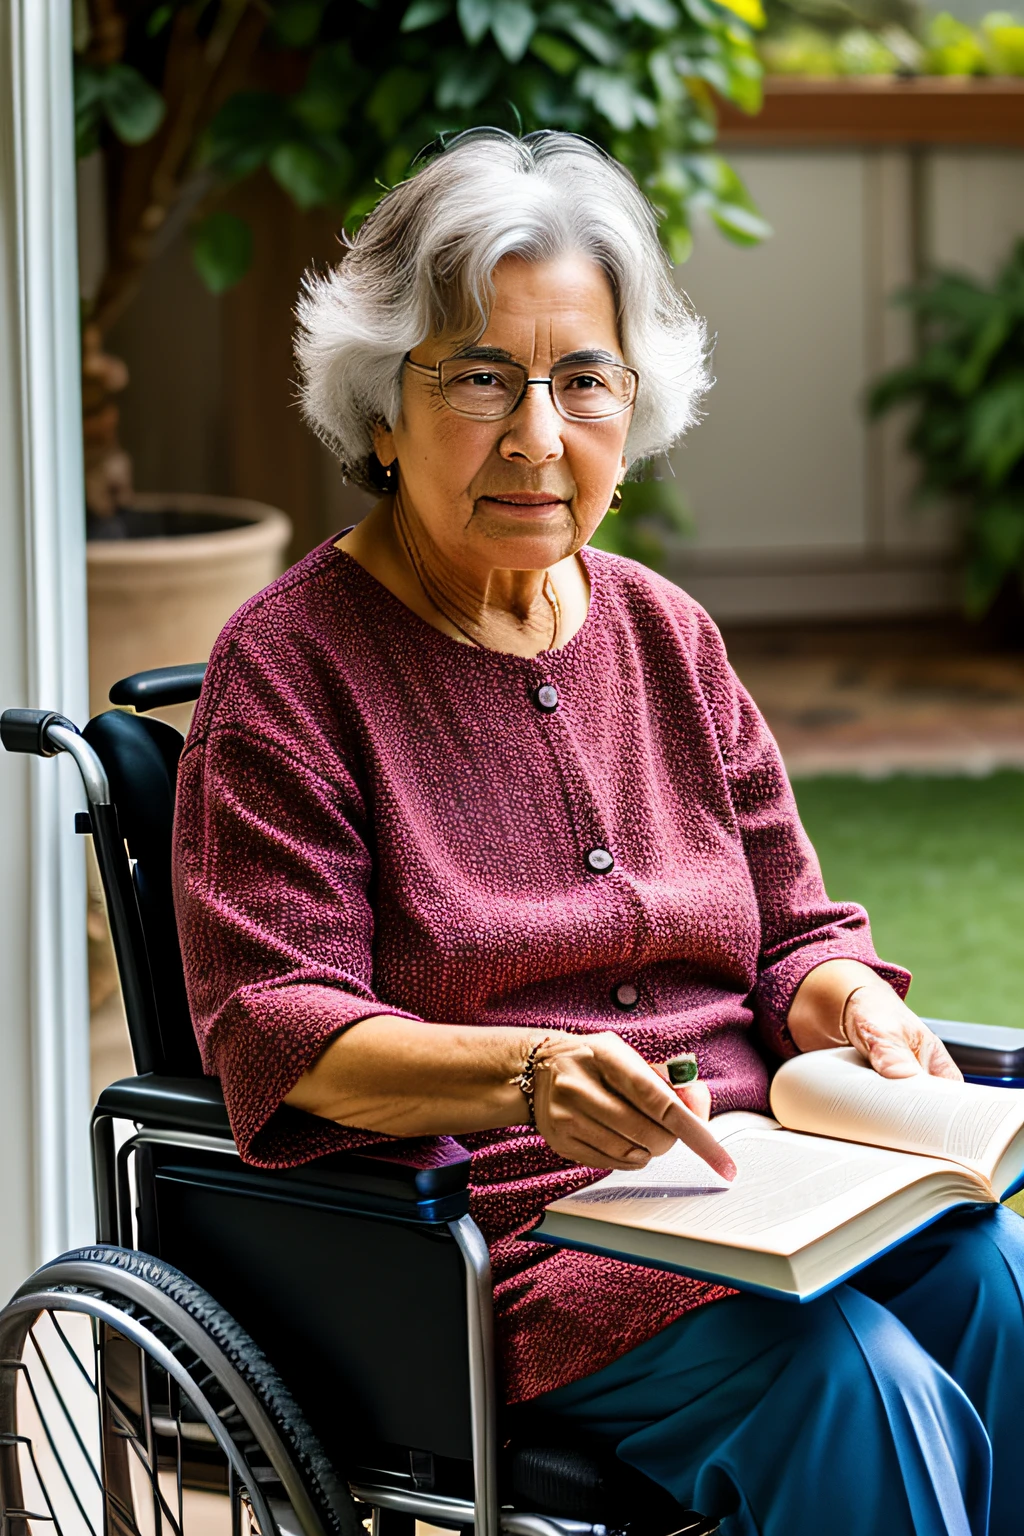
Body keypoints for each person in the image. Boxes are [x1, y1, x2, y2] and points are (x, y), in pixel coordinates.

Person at [171, 129, 1024, 1536]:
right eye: (479, 379)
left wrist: (847, 999)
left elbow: (794, 924)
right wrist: (530, 1073)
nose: (536, 436)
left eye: (582, 381)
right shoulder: (288, 672)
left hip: (767, 1188)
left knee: (996, 1279)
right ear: (382, 407)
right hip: (510, 1243)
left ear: (637, 407)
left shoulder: (664, 632)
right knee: (853, 1387)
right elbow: (280, 1027)